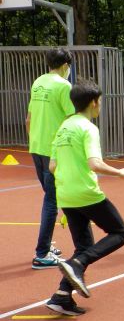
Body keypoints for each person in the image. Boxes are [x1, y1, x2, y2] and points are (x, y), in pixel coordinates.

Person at [45, 81, 124, 316]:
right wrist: (119, 172)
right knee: (120, 233)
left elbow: (52, 165)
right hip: (85, 192)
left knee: (84, 247)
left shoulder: (63, 127)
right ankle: (76, 264)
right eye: (101, 101)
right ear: (94, 102)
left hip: (65, 194)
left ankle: (62, 296)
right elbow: (94, 163)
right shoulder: (88, 128)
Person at [26, 48, 75, 269]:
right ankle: (41, 252)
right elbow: (72, 120)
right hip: (54, 150)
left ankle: (45, 245)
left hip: (36, 147)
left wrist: (35, 139)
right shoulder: (64, 86)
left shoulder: (38, 82)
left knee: (50, 196)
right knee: (52, 201)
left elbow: (29, 118)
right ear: (66, 65)